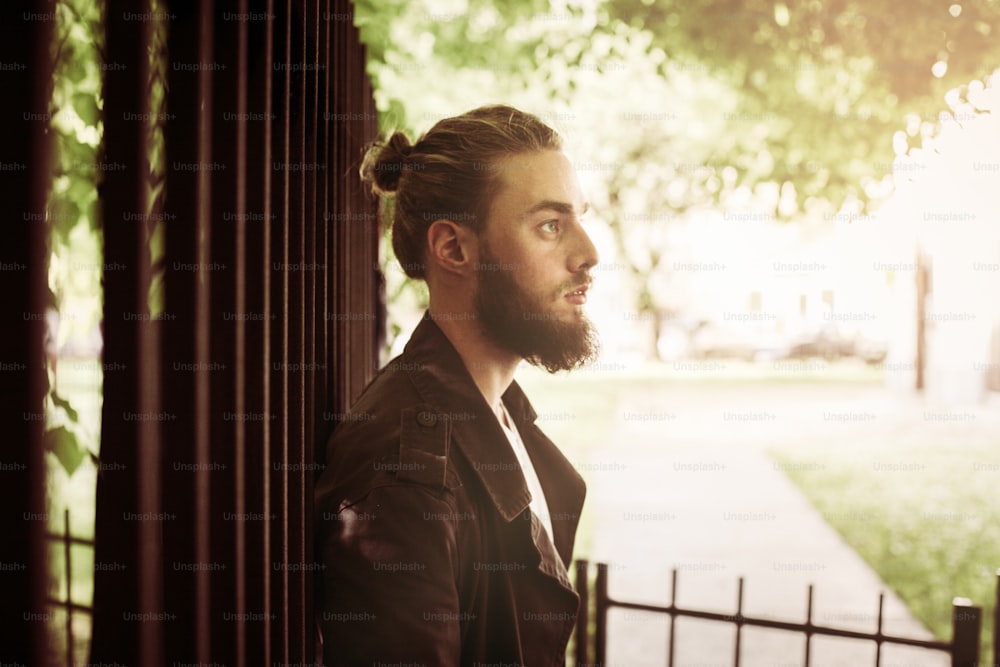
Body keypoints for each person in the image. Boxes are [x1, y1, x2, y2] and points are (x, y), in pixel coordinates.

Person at [315, 104, 600, 665]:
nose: (589, 254)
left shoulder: (499, 411)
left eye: (580, 219)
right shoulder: (405, 475)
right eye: (550, 225)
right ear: (453, 249)